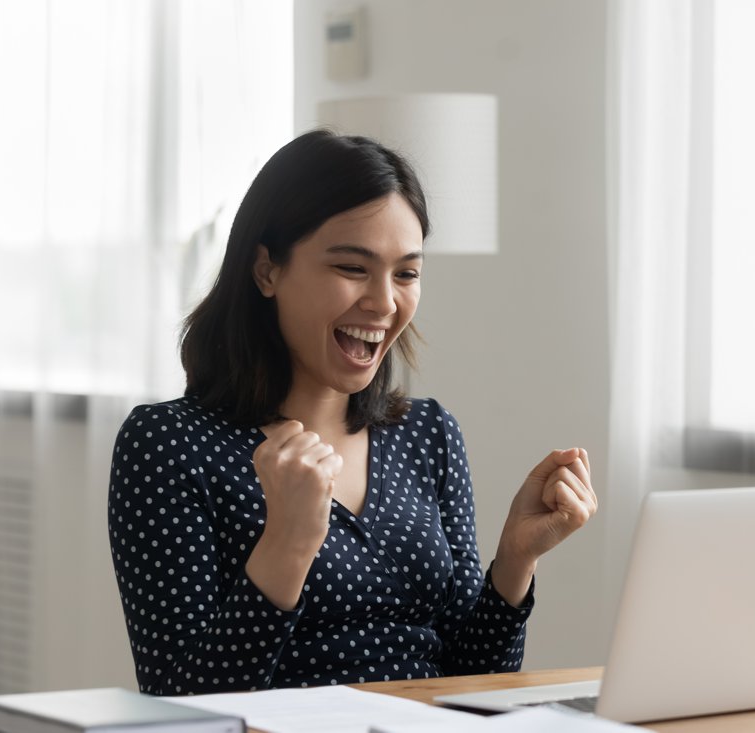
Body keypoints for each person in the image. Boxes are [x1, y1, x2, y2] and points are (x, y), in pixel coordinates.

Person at [107, 129, 598, 695]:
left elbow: (473, 678)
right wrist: (287, 543)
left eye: (407, 273)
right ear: (267, 270)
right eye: (351, 267)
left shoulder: (427, 433)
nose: (384, 302)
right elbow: (180, 704)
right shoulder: (169, 444)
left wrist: (515, 558)